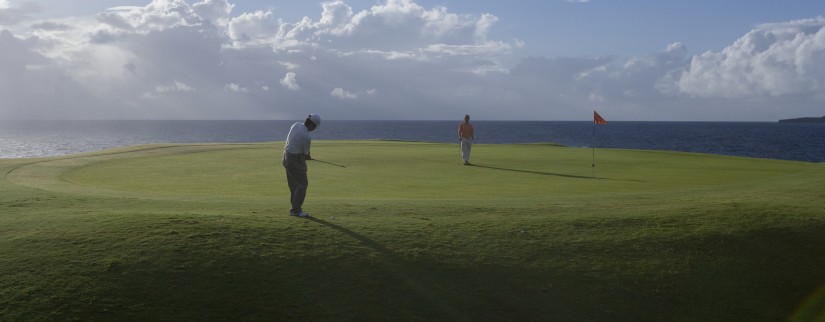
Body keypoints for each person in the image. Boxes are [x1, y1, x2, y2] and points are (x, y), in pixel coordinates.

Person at [283, 114, 321, 218]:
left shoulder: (295, 125)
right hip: (295, 159)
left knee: (294, 185)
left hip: (286, 155)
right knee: (302, 184)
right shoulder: (307, 137)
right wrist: (308, 156)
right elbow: (306, 154)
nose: (314, 129)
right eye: (315, 127)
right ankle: (295, 210)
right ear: (312, 125)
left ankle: (294, 208)